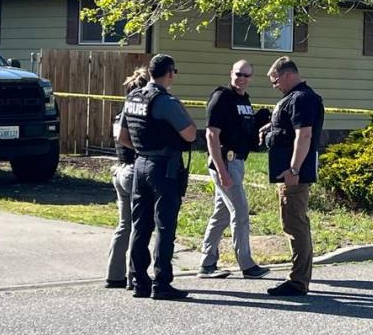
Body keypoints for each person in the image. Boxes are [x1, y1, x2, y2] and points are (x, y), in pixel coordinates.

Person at [118, 54, 196, 301]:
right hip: (164, 167)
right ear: (170, 73)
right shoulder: (165, 101)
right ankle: (161, 283)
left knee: (140, 225)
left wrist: (143, 149)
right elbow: (190, 134)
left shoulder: (134, 96)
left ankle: (139, 280)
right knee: (165, 225)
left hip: (139, 163)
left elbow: (121, 136)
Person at [198, 59, 271, 279]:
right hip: (224, 161)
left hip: (237, 162)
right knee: (240, 212)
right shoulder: (222, 97)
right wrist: (221, 170)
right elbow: (211, 134)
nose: (242, 78)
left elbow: (244, 133)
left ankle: (207, 263)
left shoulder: (244, 100)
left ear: (251, 78)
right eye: (238, 74)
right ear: (231, 73)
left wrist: (261, 122)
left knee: (220, 215)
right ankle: (246, 264)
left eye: (246, 75)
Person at [260, 57, 324, 297]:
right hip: (288, 173)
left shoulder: (301, 98)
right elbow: (291, 130)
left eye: (275, 80)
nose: (274, 85)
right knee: (292, 223)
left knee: (295, 225)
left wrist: (294, 169)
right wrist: (272, 129)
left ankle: (297, 282)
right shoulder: (293, 98)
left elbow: (304, 136)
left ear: (287, 75)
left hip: (294, 175)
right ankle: (298, 278)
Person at [104, 66, 149, 289]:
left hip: (118, 169)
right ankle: (135, 275)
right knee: (139, 225)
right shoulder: (136, 114)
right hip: (133, 171)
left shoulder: (119, 114)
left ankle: (114, 274)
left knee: (124, 225)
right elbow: (129, 139)